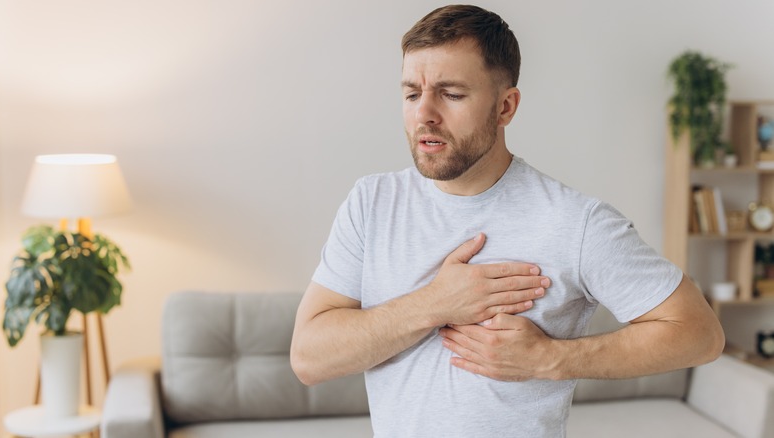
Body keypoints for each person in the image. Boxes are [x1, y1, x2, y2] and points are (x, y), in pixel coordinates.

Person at [291, 4, 724, 437]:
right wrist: (435, 303)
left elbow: (699, 334)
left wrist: (551, 359)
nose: (424, 113)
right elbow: (308, 359)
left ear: (505, 107)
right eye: (410, 93)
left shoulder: (575, 222)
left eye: (452, 94)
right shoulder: (372, 203)